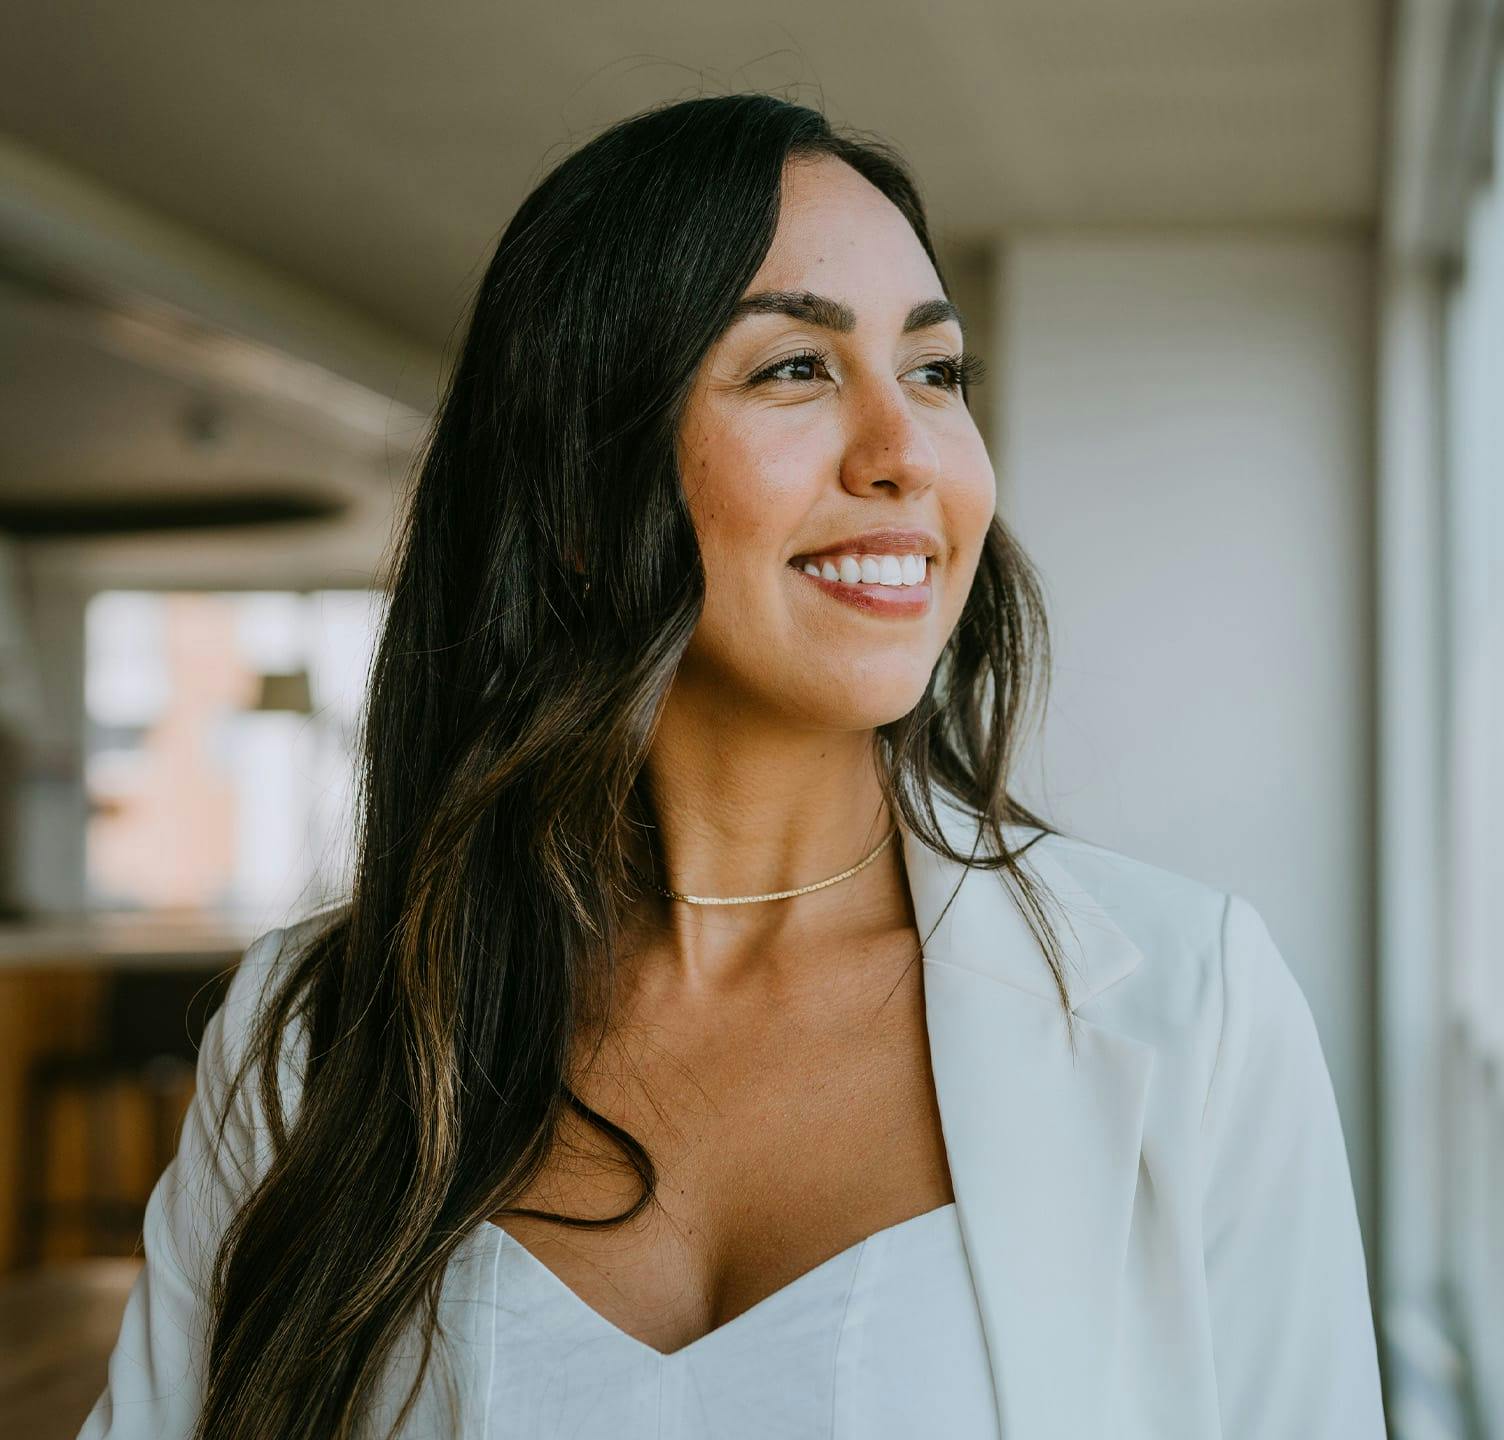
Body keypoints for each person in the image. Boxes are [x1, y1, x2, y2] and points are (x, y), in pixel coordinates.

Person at [78, 92, 1387, 1439]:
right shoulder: (311, 1035)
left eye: (935, 373)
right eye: (797, 370)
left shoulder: (1187, 1010)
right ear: (583, 494)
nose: (906, 455)